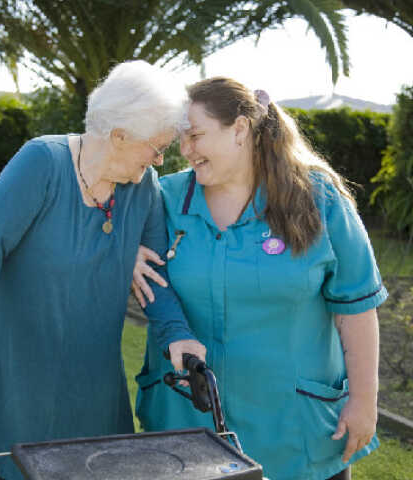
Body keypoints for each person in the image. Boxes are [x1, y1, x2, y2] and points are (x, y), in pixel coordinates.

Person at [0, 60, 206, 480]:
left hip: (93, 392)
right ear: (119, 136)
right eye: (155, 146)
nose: (160, 156)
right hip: (13, 384)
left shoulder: (143, 187)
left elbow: (157, 277)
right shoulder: (42, 164)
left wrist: (177, 332)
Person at [132, 77, 387, 480]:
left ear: (240, 129)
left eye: (196, 136)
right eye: (180, 138)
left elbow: (356, 308)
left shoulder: (318, 199)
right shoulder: (162, 199)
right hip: (186, 424)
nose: (185, 151)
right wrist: (124, 255)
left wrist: (364, 400)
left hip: (293, 431)